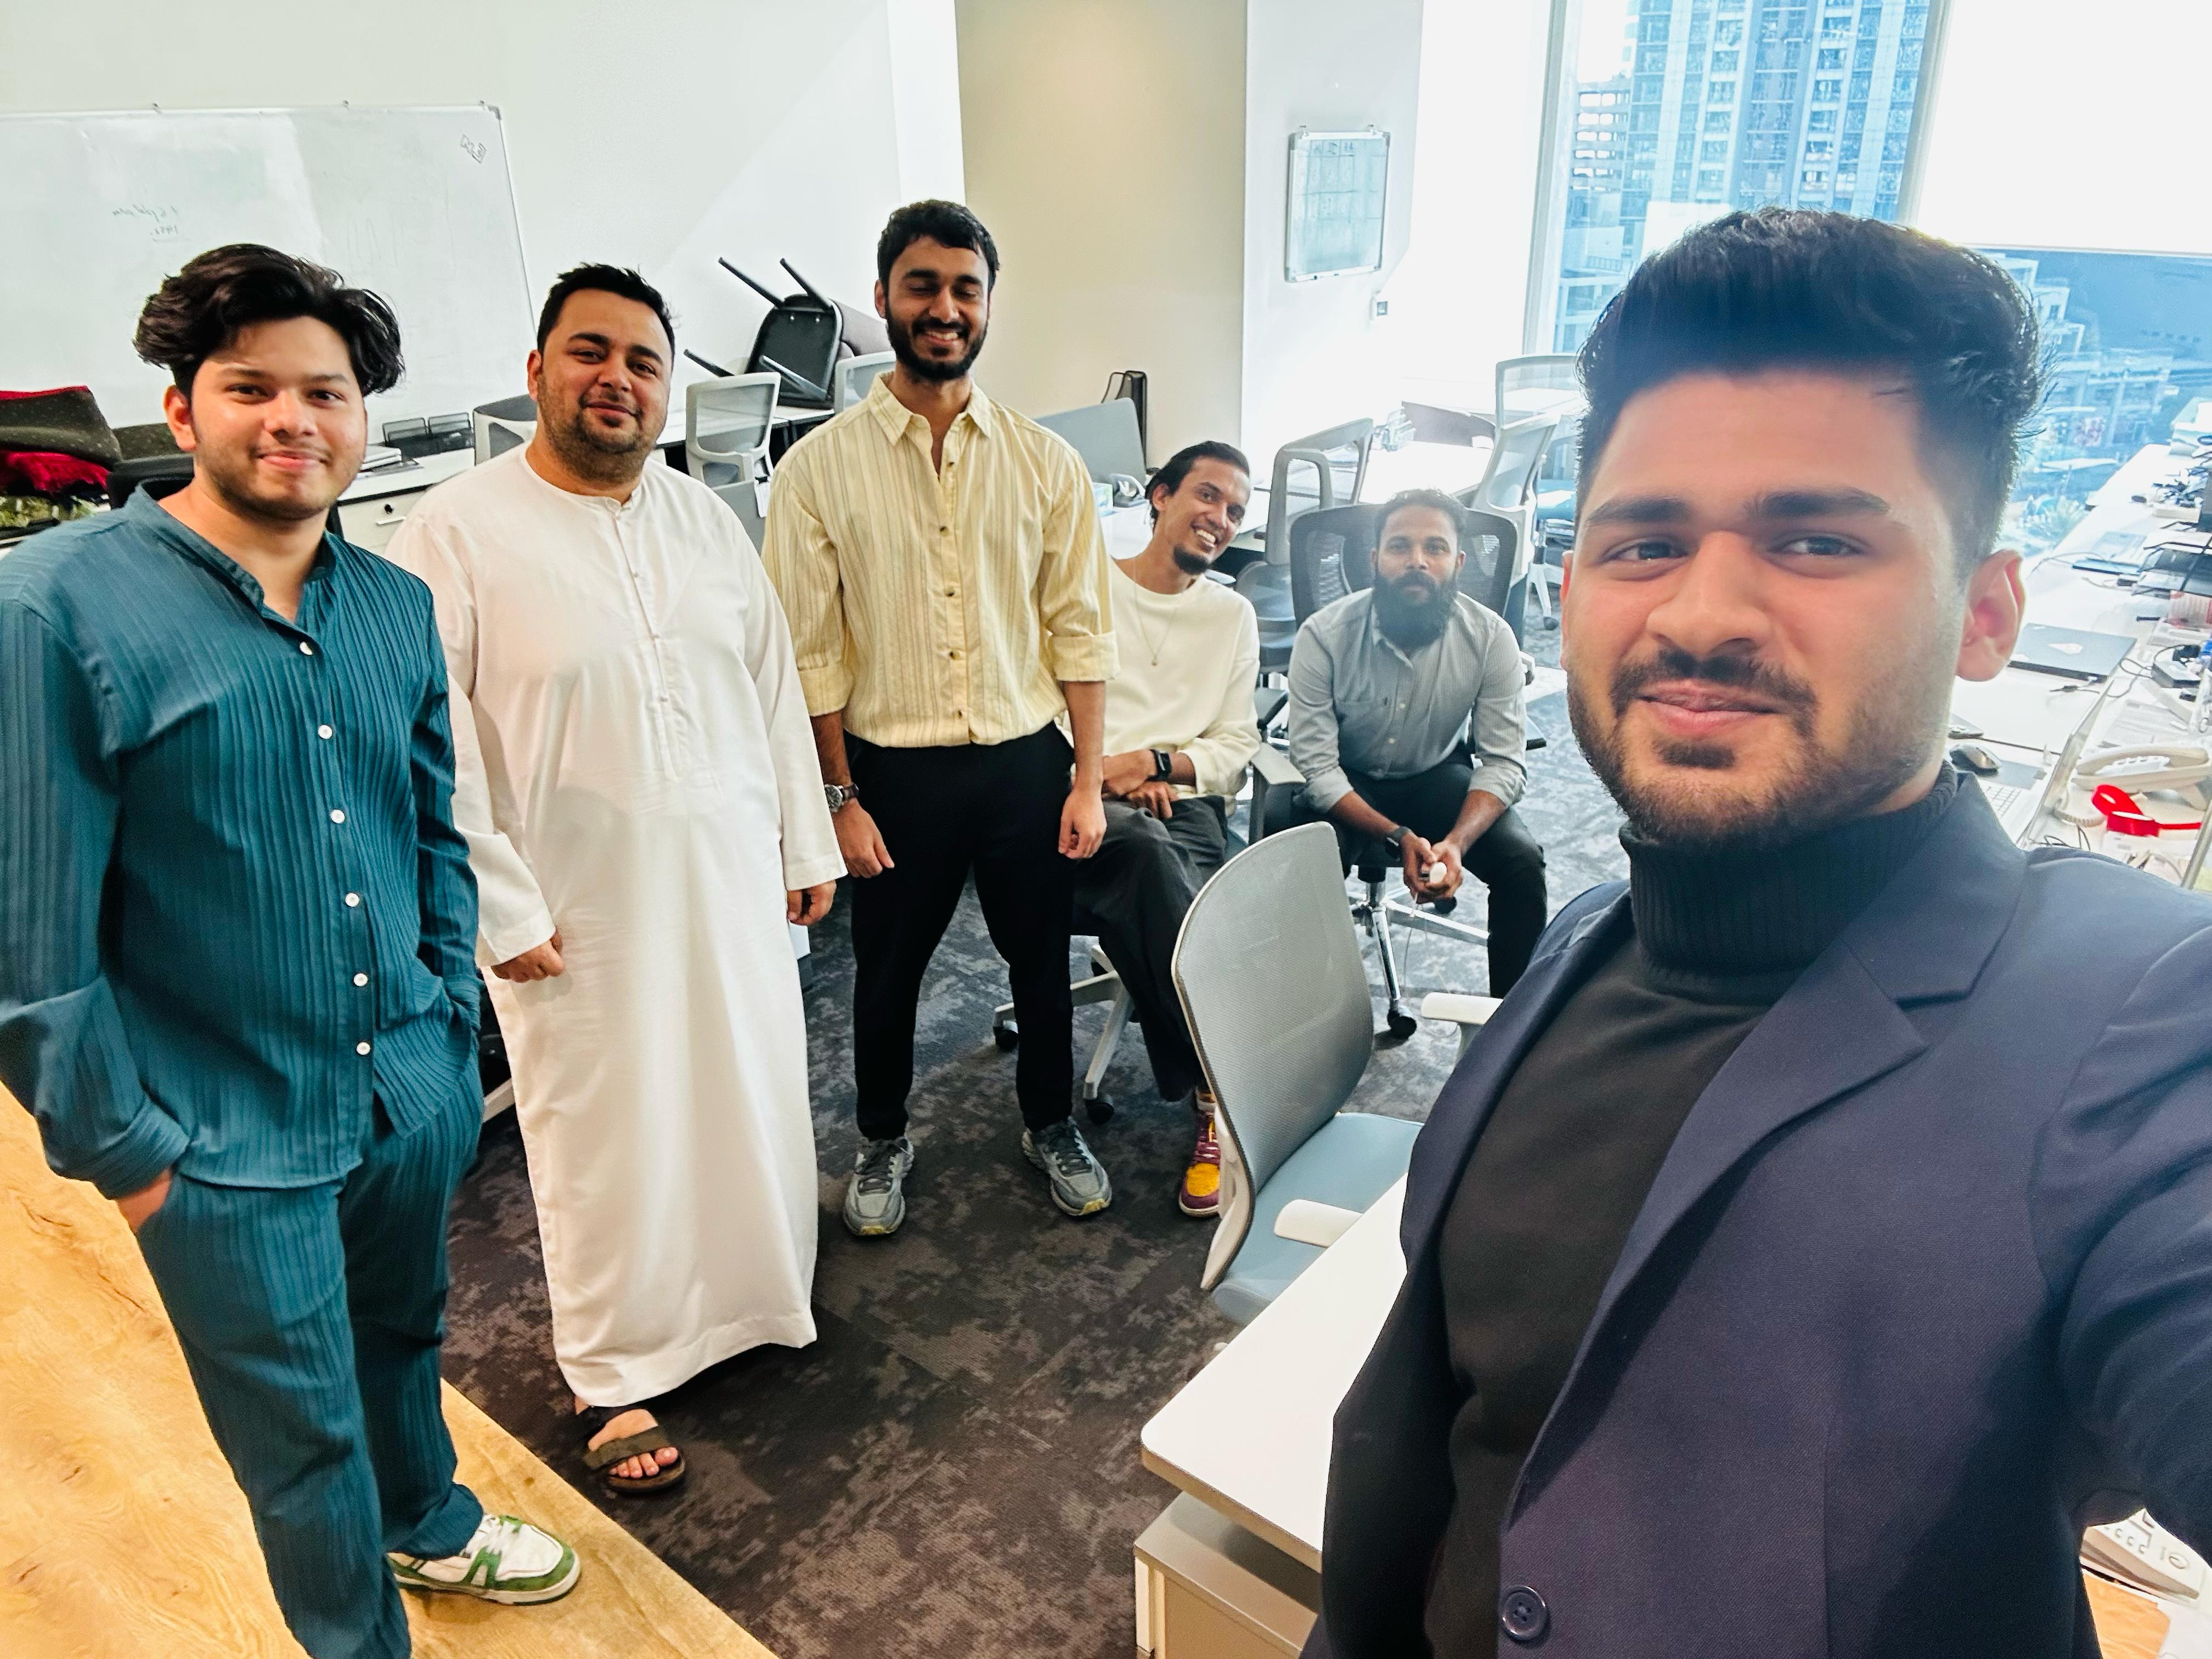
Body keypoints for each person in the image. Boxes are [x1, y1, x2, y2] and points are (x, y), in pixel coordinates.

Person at [1309, 209, 2212, 1659]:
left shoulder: (2139, 1019)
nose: (1703, 613)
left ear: (1986, 615)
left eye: (1816, 539)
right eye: (1646, 541)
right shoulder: (1583, 948)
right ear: (1571, 591)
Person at [0, 245, 575, 1659]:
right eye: (251, 386)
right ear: (180, 407)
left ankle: (427, 1520)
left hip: (403, 1095)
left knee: (402, 1340)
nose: (293, 419)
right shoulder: (56, 610)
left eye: (326, 392)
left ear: (361, 416)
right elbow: (30, 941)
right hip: (218, 1139)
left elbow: (432, 828)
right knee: (301, 1443)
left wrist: (445, 1029)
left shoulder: (390, 605)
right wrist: (134, 1159)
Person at [385, 265, 842, 1497]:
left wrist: (804, 840)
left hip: (728, 871)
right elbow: (431, 740)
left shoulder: (702, 517)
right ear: (537, 371)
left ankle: (753, 1298)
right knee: (603, 1128)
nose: (618, 379)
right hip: (573, 903)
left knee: (744, 1081)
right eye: (590, 352)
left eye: (644, 361)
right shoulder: (453, 531)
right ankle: (612, 1367)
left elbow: (771, 684)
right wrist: (498, 905)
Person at [763, 200, 1118, 1236]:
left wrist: (1088, 779)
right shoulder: (818, 468)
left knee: (1040, 964)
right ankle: (882, 1138)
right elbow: (809, 654)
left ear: (990, 305)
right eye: (923, 286)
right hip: (893, 773)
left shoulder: (1045, 462)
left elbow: (1081, 632)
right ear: (882, 298)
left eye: (967, 289)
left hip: (1024, 764)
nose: (946, 308)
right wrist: (838, 797)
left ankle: (1050, 1121)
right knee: (886, 974)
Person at [1079, 440, 1261, 1217]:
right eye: (1207, 496)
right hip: (1084, 805)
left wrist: (1158, 763)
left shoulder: (1232, 615)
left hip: (1183, 803)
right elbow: (1042, 708)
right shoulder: (1087, 589)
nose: (1220, 518)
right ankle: (1221, 1088)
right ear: (1160, 496)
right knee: (1145, 852)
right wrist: (1105, 772)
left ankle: (1214, 1078)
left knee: (1180, 879)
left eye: (1236, 511)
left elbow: (1238, 744)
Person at [1283, 489, 1549, 994]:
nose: (1418, 561)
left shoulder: (1491, 638)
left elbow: (1503, 762)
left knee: (1520, 861)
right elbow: (1316, 767)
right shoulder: (1325, 634)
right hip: (1347, 781)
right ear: (1374, 560)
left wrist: (1457, 843)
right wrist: (1398, 836)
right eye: (1400, 546)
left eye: (1436, 547)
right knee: (1306, 867)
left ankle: (1512, 1027)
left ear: (1459, 563)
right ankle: (1306, 1016)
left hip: (1435, 773)